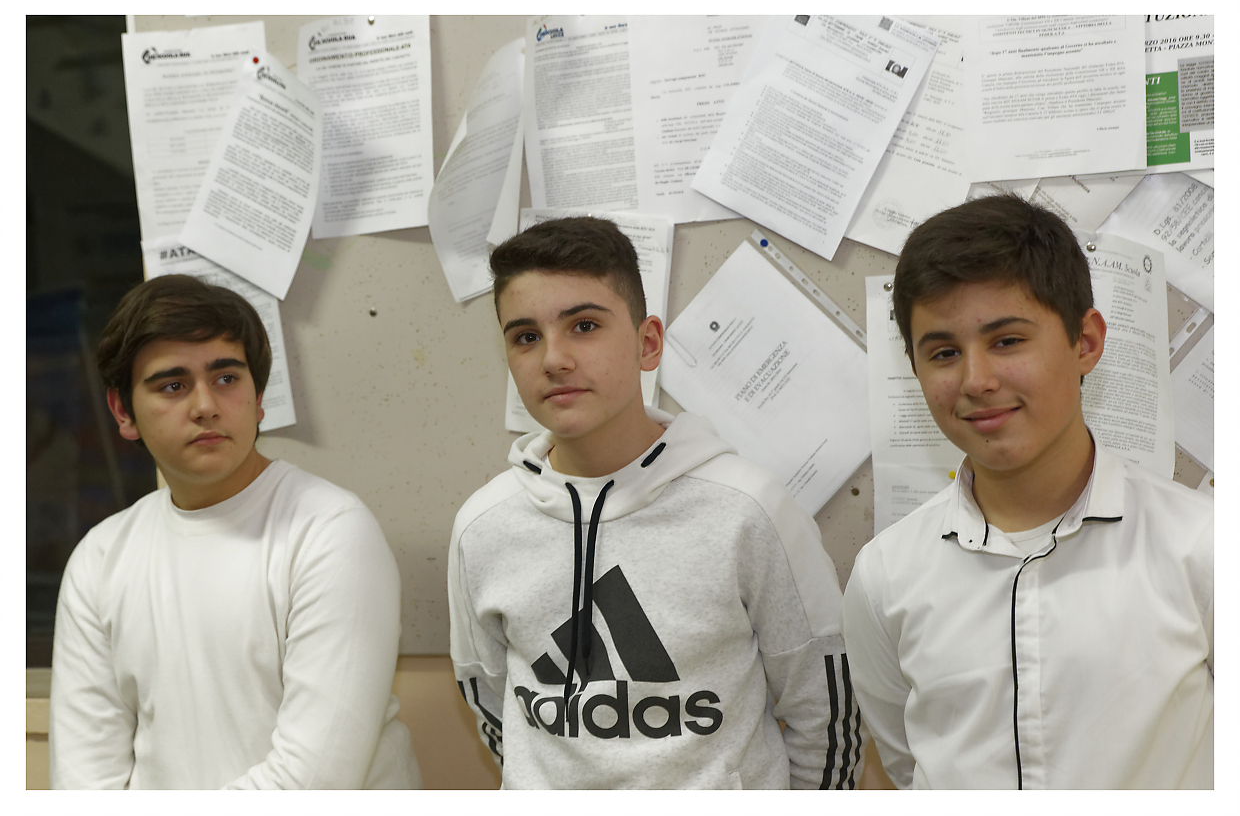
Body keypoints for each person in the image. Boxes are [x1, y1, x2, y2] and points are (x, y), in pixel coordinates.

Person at [447, 217, 861, 789]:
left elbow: (828, 712)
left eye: (584, 326)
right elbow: (496, 709)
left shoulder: (749, 510)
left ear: (647, 344)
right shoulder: (482, 527)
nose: (554, 359)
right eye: (525, 337)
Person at [841, 195, 1213, 789]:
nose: (976, 381)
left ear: (1085, 341)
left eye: (1008, 341)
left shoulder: (1203, 546)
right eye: (944, 353)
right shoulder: (885, 574)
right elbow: (899, 765)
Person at [49, 274, 422, 789]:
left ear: (259, 396)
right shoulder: (100, 558)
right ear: (122, 411)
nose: (205, 405)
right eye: (173, 385)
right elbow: (83, 780)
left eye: (226, 378)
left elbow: (314, 781)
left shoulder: (330, 532)